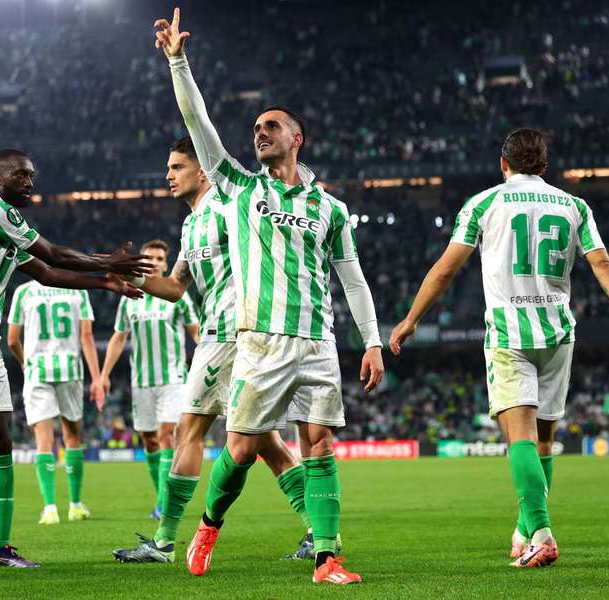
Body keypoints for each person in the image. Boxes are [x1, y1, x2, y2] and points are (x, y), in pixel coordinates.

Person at [154, 9, 384, 585]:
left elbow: (352, 278)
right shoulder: (237, 187)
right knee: (239, 447)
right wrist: (178, 62)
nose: (260, 132)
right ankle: (208, 525)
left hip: (318, 341)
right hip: (259, 340)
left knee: (320, 443)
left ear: (296, 139)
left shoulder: (328, 208)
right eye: (256, 127)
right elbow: (199, 121)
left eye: (272, 126)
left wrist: (373, 341)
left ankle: (328, 558)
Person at [389, 128, 609, 568]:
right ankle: (525, 527)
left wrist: (411, 319)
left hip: (511, 336)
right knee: (543, 442)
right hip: (558, 333)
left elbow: (445, 270)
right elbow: (602, 263)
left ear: (503, 162)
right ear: (544, 166)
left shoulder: (484, 203)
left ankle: (543, 533)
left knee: (519, 441)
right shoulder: (574, 206)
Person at [0, 148, 150, 570]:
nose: (29, 182)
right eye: (22, 175)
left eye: (32, 175)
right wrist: (108, 260)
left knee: (1, 439)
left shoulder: (4, 228)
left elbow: (48, 273)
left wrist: (106, 282)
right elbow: (54, 253)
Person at [112, 137, 318, 565]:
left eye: (177, 167)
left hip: (235, 336)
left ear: (202, 171)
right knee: (265, 444)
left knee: (190, 431)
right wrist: (132, 277)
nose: (168, 175)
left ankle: (165, 541)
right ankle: (318, 532)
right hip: (215, 338)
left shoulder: (230, 210)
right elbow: (174, 287)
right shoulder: (190, 226)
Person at [100, 239, 200, 519]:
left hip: (173, 378)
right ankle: (161, 497)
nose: (154, 262)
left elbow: (196, 332)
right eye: (149, 258)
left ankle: (163, 503)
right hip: (141, 381)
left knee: (166, 434)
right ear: (140, 261)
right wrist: (104, 375)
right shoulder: (130, 296)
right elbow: (119, 338)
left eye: (159, 258)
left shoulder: (178, 297)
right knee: (149, 440)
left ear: (166, 264)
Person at [7, 280, 104, 525]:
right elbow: (86, 335)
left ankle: (50, 508)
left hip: (37, 371)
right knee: (72, 436)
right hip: (69, 370)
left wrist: (25, 363)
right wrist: (97, 378)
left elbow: (11, 340)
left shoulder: (24, 291)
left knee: (44, 440)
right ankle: (75, 505)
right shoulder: (77, 289)